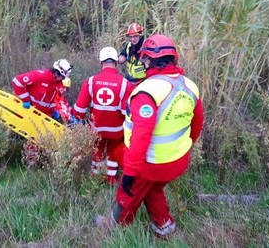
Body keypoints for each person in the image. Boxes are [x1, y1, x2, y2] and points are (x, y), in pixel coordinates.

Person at [96, 34, 204, 239]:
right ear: (174, 58)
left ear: (147, 60)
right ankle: (165, 227)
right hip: (178, 159)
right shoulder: (190, 86)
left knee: (128, 193)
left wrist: (129, 173)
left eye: (144, 60)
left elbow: (140, 137)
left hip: (150, 162)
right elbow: (196, 125)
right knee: (152, 190)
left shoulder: (147, 91)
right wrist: (182, 148)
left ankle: (116, 225)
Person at [72, 47, 131, 184]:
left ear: (101, 63)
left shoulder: (90, 82)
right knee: (112, 152)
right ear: (116, 63)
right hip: (116, 131)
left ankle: (96, 178)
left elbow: (80, 109)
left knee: (97, 151)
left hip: (96, 129)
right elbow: (125, 112)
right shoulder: (125, 84)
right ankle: (111, 178)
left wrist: (78, 119)